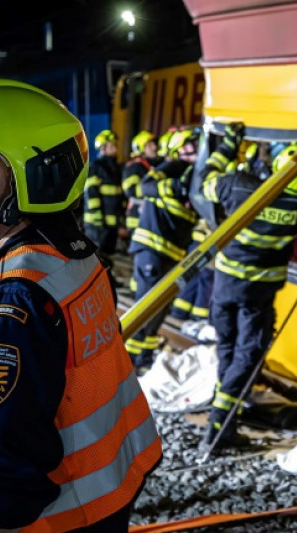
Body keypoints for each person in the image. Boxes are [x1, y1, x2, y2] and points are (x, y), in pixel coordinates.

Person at [0, 79, 161, 532]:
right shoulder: (74, 255)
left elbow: (14, 457)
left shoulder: (14, 299)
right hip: (109, 488)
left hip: (59, 516)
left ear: (35, 179)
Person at [200, 125, 297, 448]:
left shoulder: (238, 187)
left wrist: (229, 144)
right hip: (257, 296)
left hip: (224, 287)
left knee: (228, 349)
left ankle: (222, 418)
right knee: (248, 355)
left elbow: (205, 179)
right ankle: (220, 424)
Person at [125, 128, 200, 369]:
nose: (197, 148)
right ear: (180, 149)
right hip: (152, 250)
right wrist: (176, 188)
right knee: (145, 308)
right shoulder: (173, 168)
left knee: (159, 310)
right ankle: (125, 362)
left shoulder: (197, 175)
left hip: (173, 256)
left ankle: (143, 358)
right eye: (191, 144)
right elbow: (144, 188)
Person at [83, 129, 125, 255]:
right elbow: (92, 195)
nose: (115, 148)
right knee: (96, 258)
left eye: (115, 144)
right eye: (112, 145)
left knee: (108, 258)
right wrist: (97, 221)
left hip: (112, 225)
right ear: (103, 148)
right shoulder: (96, 167)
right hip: (97, 225)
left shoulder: (115, 168)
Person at [122, 130, 162, 254]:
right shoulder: (134, 167)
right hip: (137, 218)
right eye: (149, 145)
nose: (155, 147)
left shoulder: (153, 165)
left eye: (154, 144)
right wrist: (156, 189)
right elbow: (131, 190)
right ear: (141, 148)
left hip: (149, 217)